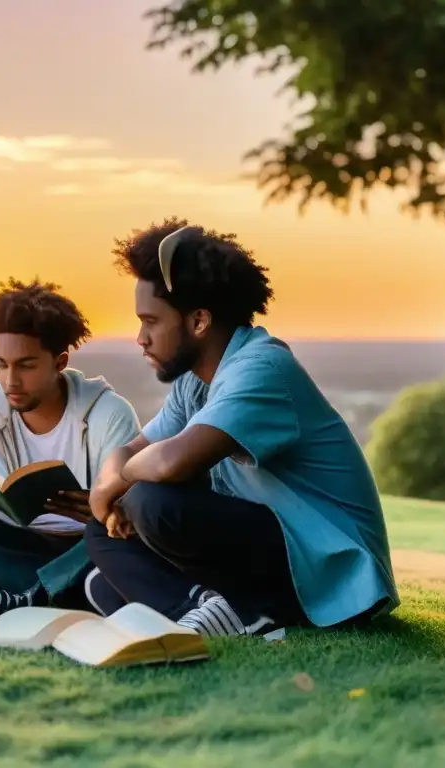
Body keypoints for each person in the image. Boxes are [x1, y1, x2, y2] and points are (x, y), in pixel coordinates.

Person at [83, 217, 399, 637]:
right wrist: (108, 491)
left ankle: (196, 605)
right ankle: (205, 607)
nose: (140, 338)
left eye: (151, 321)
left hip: (325, 565)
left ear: (198, 321)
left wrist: (112, 483)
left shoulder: (262, 367)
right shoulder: (194, 381)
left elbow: (168, 464)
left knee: (151, 503)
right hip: (274, 549)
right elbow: (134, 449)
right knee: (102, 527)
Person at [0, 278, 141, 616]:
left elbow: (132, 509)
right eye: (1, 363)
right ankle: (68, 594)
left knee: (127, 524)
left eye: (26, 366)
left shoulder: (110, 413)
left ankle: (38, 594)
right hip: (22, 543)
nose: (10, 381)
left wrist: (103, 511)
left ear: (60, 362)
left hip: (90, 548)